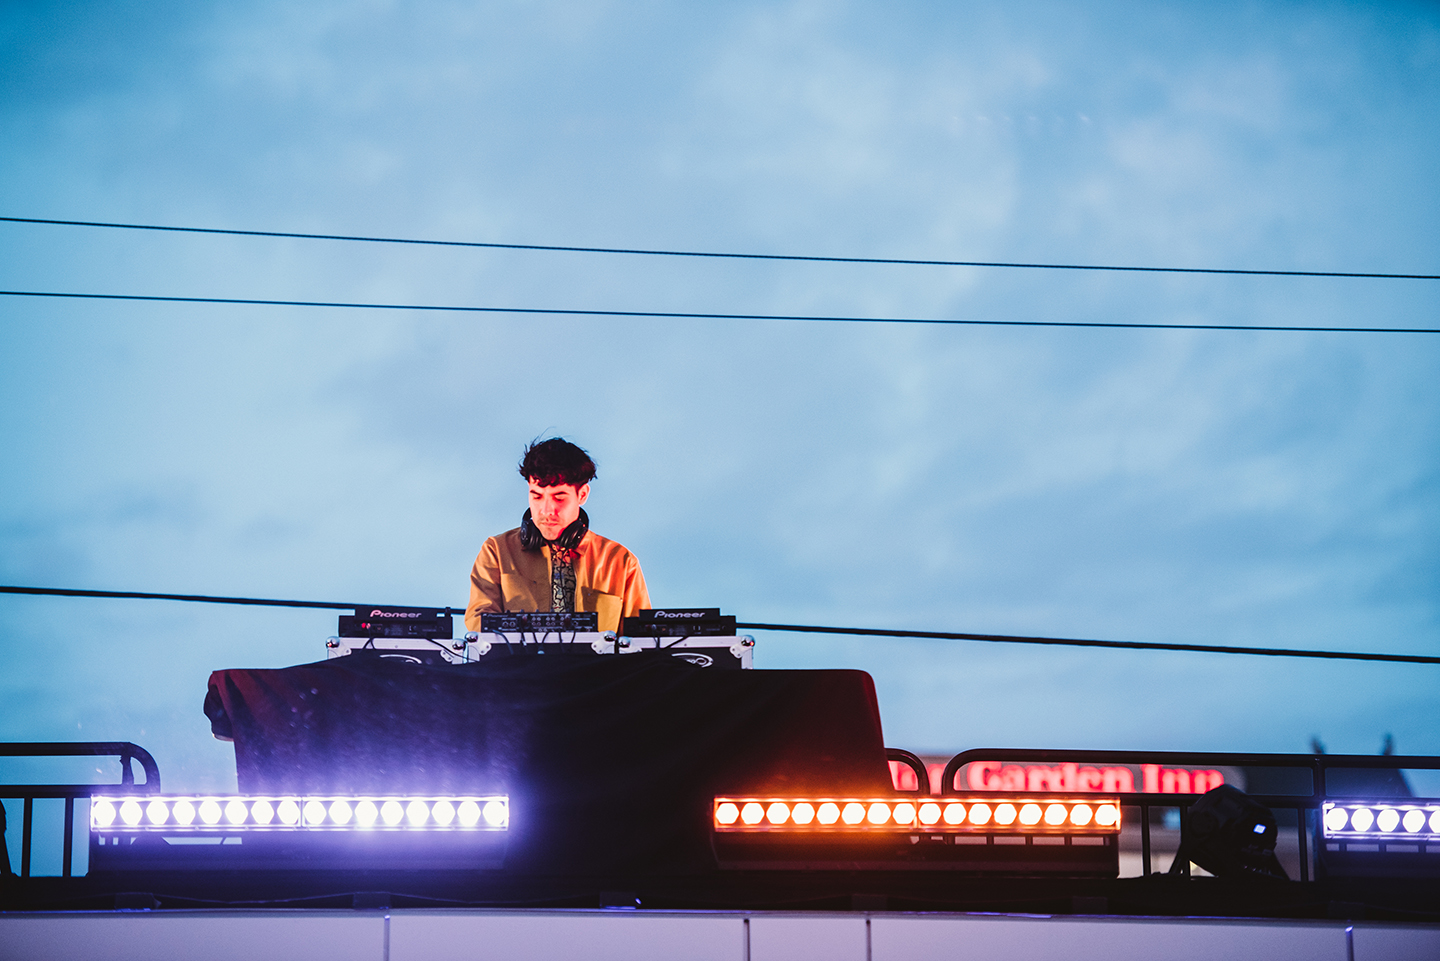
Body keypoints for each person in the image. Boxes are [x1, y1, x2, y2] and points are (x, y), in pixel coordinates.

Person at [466, 438, 650, 634]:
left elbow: (640, 641)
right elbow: (481, 629)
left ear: (582, 495)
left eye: (559, 498)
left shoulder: (621, 562)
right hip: (522, 665)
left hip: (599, 666)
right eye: (536, 496)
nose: (546, 510)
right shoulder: (496, 551)